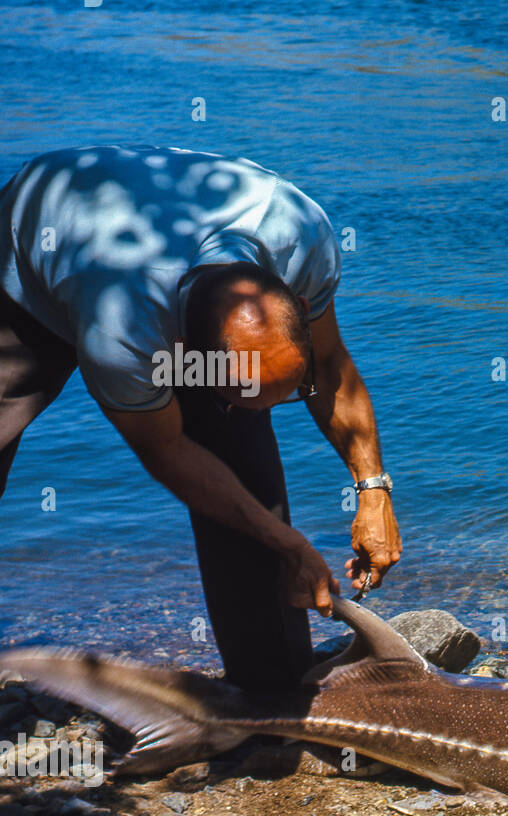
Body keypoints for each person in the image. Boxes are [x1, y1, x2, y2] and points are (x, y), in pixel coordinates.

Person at [0, 145, 401, 692]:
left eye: (285, 387)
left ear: (298, 308)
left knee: (243, 474)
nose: (260, 410)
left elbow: (330, 366)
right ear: (187, 358)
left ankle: (273, 697)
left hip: (156, 246)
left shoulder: (302, 239)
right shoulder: (124, 332)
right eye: (240, 396)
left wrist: (373, 489)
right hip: (39, 233)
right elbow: (166, 452)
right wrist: (289, 543)